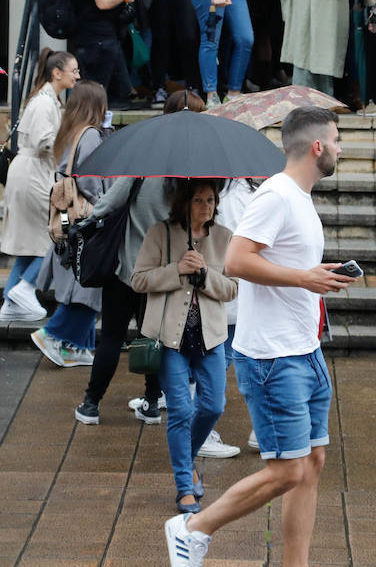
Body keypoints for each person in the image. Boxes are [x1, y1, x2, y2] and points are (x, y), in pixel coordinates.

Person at [163, 107, 356, 567]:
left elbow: (282, 266)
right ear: (316, 147)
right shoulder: (276, 195)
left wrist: (314, 276)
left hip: (304, 351)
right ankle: (192, 528)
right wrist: (303, 279)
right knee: (288, 469)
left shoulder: (300, 198)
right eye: (336, 139)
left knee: (310, 465)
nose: (340, 147)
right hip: (272, 358)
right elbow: (235, 262)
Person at [77, 90, 205, 430]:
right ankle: (151, 403)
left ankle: (91, 403)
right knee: (153, 338)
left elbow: (110, 204)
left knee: (111, 337)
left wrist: (82, 220)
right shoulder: (193, 175)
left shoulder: (144, 162)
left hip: (128, 269)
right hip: (166, 273)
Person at [132, 179, 239, 514]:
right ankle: (184, 487)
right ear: (184, 202)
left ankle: (186, 457)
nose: (206, 206)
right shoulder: (159, 234)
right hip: (170, 339)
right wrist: (176, 270)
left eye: (211, 200)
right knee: (179, 411)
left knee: (213, 405)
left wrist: (205, 274)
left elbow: (233, 289)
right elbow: (139, 280)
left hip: (211, 338)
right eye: (198, 200)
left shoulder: (223, 238)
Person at [31, 81, 112, 368]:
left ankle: (77, 347)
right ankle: (52, 334)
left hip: (71, 223)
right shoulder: (89, 135)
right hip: (88, 222)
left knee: (84, 285)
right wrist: (107, 205)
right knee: (89, 288)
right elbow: (91, 182)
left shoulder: (71, 132)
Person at [0, 49, 79, 321]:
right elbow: (46, 141)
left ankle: (11, 299)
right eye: (73, 70)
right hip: (33, 173)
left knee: (30, 243)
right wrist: (72, 141)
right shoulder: (44, 102)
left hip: (30, 172)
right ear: (57, 73)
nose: (77, 75)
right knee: (54, 234)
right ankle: (26, 287)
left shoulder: (46, 99)